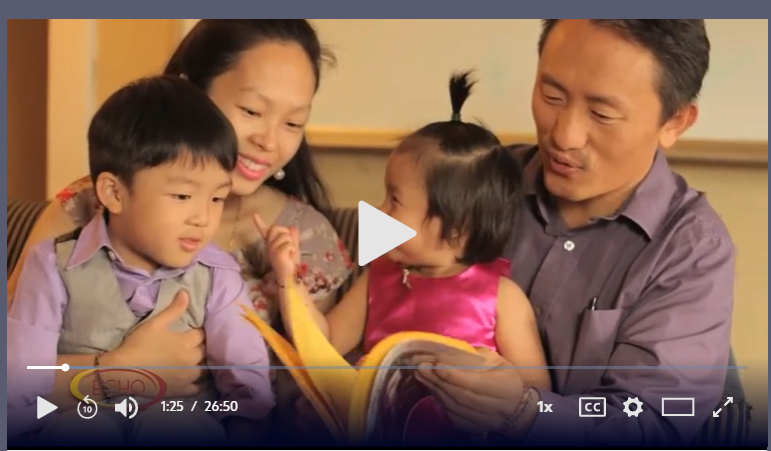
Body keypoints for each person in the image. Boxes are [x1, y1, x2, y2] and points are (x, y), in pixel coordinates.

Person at [413, 20, 735, 447]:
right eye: (552, 96)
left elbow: (653, 420)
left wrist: (526, 413)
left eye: (602, 113)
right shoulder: (477, 184)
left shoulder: (691, 252)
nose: (563, 135)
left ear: (675, 121)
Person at [6, 19, 352, 417]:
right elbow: (13, 369)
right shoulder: (86, 207)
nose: (269, 141)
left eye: (293, 122)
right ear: (192, 91)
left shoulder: (306, 238)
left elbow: (313, 392)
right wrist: (117, 371)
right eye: (252, 110)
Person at [260, 71, 551, 445]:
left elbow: (535, 391)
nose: (379, 210)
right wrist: (290, 280)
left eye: (394, 200)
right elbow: (324, 344)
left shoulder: (500, 296)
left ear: (455, 229)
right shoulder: (378, 277)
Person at [7, 76, 275, 447]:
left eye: (216, 199)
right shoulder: (51, 265)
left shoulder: (218, 276)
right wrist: (114, 375)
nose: (203, 218)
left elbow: (251, 393)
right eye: (182, 195)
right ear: (114, 193)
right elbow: (18, 388)